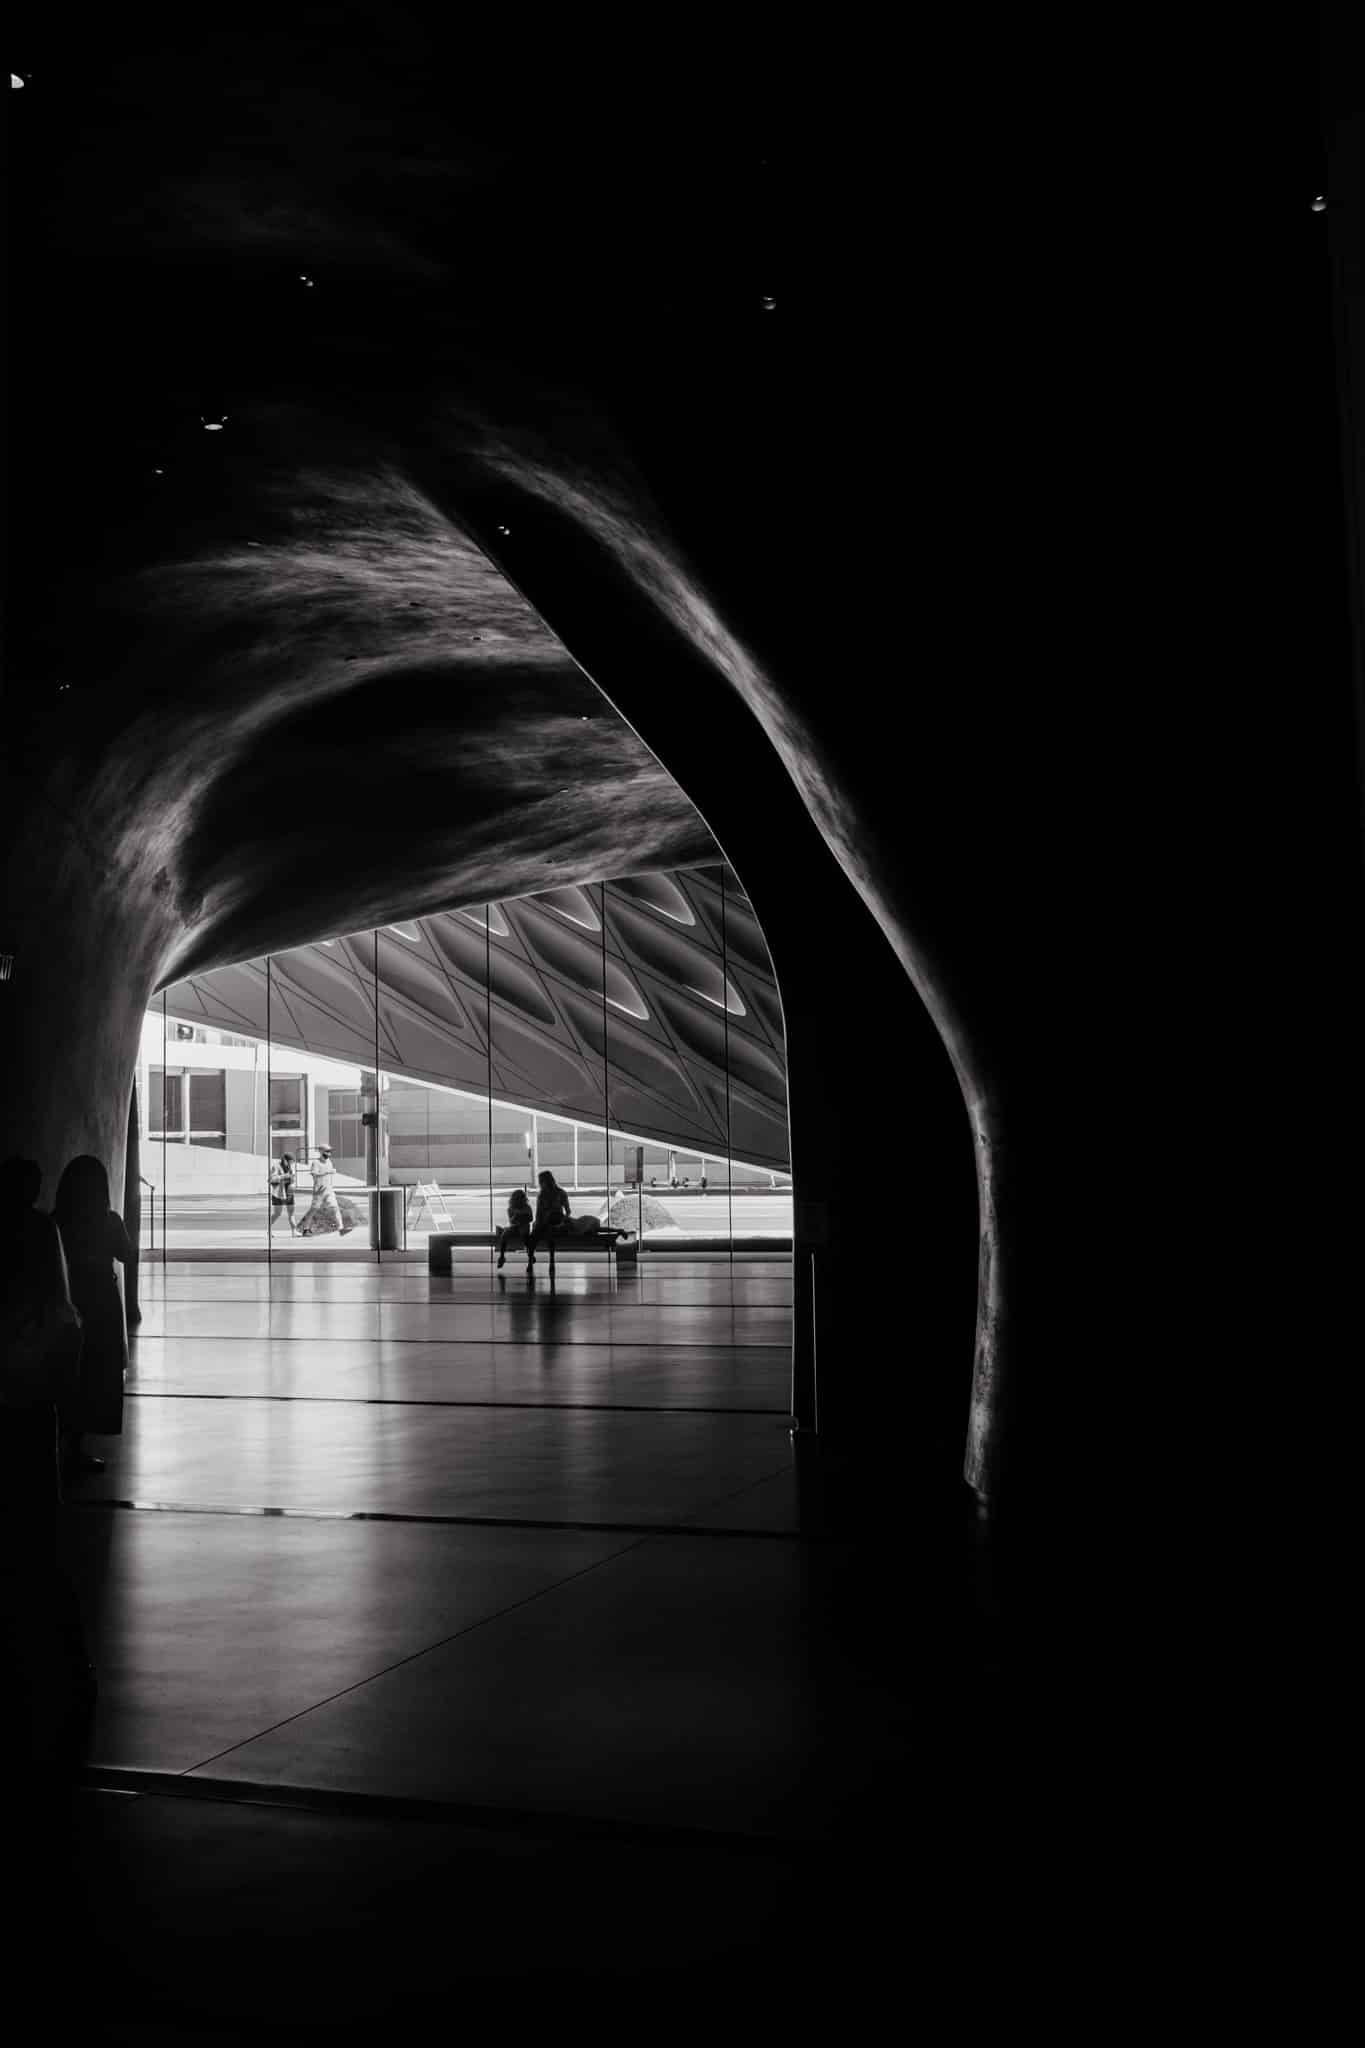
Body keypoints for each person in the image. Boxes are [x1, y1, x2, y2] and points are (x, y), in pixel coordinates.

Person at [0, 1158, 96, 1773]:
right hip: (27, 1404)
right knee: (37, 1542)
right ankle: (65, 1667)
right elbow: (60, 1316)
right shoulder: (39, 1237)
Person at [53, 1155, 133, 1478]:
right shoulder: (108, 1220)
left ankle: (61, 1441)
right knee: (98, 1371)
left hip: (69, 1299)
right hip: (102, 1301)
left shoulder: (58, 1219)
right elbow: (127, 1255)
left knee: (71, 1372)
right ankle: (77, 1447)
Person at [297, 1146, 353, 1237]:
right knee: (313, 1210)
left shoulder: (329, 1162)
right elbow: (314, 1174)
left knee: (335, 1208)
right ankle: (305, 1229)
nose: (329, 1154)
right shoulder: (316, 1163)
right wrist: (326, 1172)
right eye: (327, 1151)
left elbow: (329, 1174)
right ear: (321, 1152)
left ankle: (341, 1228)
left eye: (330, 1151)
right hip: (319, 1191)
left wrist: (330, 1176)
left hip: (329, 1190)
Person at [526, 1169, 571, 1270]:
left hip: (556, 1220)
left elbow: (568, 1211)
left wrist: (563, 1221)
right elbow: (539, 1212)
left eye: (541, 1181)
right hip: (545, 1221)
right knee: (535, 1236)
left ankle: (548, 1260)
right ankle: (532, 1258)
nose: (540, 1184)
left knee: (547, 1233)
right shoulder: (543, 1195)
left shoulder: (560, 1193)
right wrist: (537, 1223)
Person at [495, 1187, 533, 1269]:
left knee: (525, 1237)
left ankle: (530, 1257)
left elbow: (530, 1218)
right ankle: (502, 1256)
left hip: (524, 1226)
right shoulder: (511, 1208)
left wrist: (521, 1218)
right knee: (504, 1235)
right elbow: (512, 1221)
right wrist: (517, 1216)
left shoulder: (527, 1207)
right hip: (515, 1226)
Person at [269, 1152, 297, 1234]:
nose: (291, 1163)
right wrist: (284, 1176)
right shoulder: (276, 1166)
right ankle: (269, 1230)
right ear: (285, 1160)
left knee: (291, 1213)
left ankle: (294, 1231)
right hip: (278, 1193)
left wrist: (292, 1184)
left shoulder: (290, 1167)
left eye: (292, 1162)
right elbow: (272, 1179)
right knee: (277, 1214)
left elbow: (292, 1178)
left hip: (289, 1192)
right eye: (290, 1161)